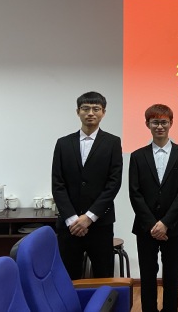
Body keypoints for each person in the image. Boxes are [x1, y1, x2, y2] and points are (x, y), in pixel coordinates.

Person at [51, 91, 123, 279]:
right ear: (78, 112)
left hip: (100, 224)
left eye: (96, 109)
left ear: (103, 112)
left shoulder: (112, 143)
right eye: (85, 108)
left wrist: (89, 217)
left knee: (103, 277)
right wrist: (72, 219)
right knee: (68, 278)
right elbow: (58, 184)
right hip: (69, 226)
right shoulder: (63, 143)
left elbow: (113, 184)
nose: (91, 113)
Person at [129, 104, 178, 312]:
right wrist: (152, 224)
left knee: (171, 274)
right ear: (147, 124)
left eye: (164, 122)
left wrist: (165, 223)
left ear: (171, 123)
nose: (159, 126)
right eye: (155, 122)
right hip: (145, 227)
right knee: (147, 274)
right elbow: (135, 193)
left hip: (172, 226)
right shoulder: (137, 156)